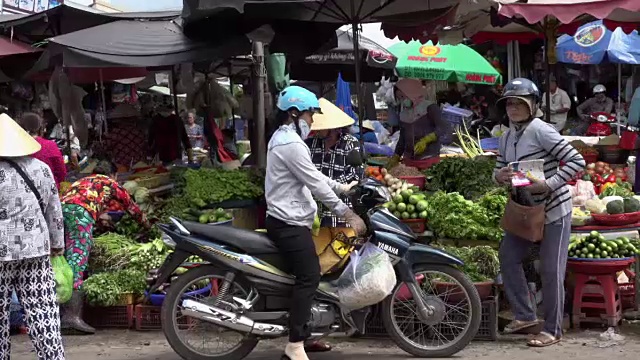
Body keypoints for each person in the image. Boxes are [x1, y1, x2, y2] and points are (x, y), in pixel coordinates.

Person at [265, 86, 366, 360]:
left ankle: (307, 334)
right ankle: (295, 344)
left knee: (314, 274)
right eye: (310, 116)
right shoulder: (290, 144)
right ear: (295, 113)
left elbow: (314, 176)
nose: (312, 123)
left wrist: (343, 188)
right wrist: (347, 214)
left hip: (292, 219)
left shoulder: (288, 139)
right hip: (287, 222)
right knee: (309, 276)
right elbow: (315, 185)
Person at [494, 78, 585, 347]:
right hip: (525, 209)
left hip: (554, 209)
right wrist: (498, 175)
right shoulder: (507, 136)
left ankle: (553, 329)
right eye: (509, 103)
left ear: (533, 105)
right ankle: (525, 315)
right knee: (508, 256)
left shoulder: (541, 130)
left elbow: (577, 160)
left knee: (550, 269)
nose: (513, 108)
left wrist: (550, 183)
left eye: (519, 103)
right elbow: (499, 167)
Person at [0, 113, 66, 359]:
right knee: (44, 313)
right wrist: (58, 245)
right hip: (36, 251)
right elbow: (54, 211)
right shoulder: (41, 169)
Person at [60, 161, 150, 334]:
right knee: (77, 262)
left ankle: (63, 314)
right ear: (113, 175)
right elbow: (131, 207)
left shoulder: (82, 182)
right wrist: (147, 225)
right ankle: (71, 318)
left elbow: (83, 201)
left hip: (62, 213)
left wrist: (99, 218)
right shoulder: (110, 183)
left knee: (66, 260)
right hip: (80, 215)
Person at [389, 78, 453, 169]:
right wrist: (396, 156)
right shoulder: (404, 114)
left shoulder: (430, 108)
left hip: (429, 160)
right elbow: (403, 138)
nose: (403, 101)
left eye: (404, 97)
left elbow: (444, 128)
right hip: (409, 162)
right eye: (400, 98)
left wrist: (426, 139)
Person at [17, 112, 67, 188]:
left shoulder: (13, 146)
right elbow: (62, 173)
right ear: (40, 128)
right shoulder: (50, 145)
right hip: (48, 191)